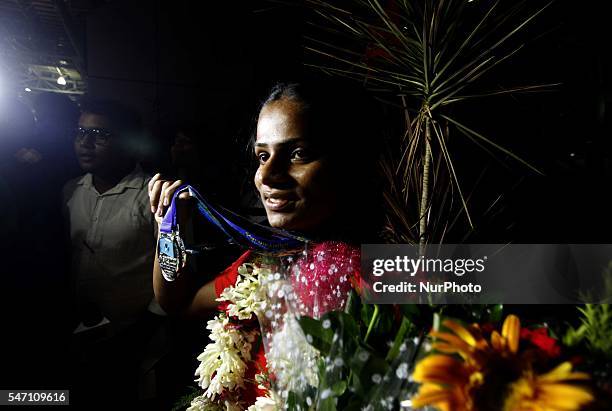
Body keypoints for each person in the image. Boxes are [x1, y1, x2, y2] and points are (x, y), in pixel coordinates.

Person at [149, 79, 381, 316]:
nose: (266, 175)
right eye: (262, 156)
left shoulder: (392, 266)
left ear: (349, 161)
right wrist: (168, 227)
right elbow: (180, 303)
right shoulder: (269, 263)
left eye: (298, 154)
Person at [63, 98, 166, 405]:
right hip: (82, 334)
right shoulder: (70, 190)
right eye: (81, 131)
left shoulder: (154, 196)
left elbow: (174, 272)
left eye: (100, 135)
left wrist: (142, 330)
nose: (85, 142)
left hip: (136, 340)